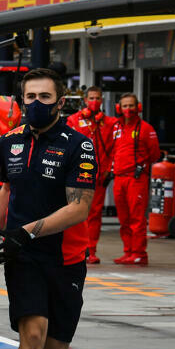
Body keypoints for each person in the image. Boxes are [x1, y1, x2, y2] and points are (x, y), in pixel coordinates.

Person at [0, 67, 97, 349]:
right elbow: (7, 189)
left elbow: (79, 208)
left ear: (61, 102)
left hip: (67, 256)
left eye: (44, 97)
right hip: (23, 255)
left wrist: (30, 230)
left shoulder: (79, 145)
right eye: (30, 97)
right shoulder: (9, 142)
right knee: (32, 335)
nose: (36, 104)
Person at [66, 86, 117, 264]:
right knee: (74, 213)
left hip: (99, 177)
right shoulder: (73, 120)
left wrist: (109, 169)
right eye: (91, 98)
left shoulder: (110, 123)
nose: (94, 101)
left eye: (97, 98)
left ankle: (92, 250)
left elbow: (114, 149)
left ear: (102, 100)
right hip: (76, 176)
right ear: (85, 100)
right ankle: (76, 250)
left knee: (94, 215)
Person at [111, 93, 160, 266]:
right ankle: (128, 251)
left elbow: (154, 154)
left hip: (136, 179)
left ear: (138, 107)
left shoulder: (146, 129)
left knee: (137, 218)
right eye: (125, 106)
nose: (128, 109)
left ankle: (139, 253)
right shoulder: (117, 127)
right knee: (124, 219)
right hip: (119, 179)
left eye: (131, 106)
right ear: (119, 108)